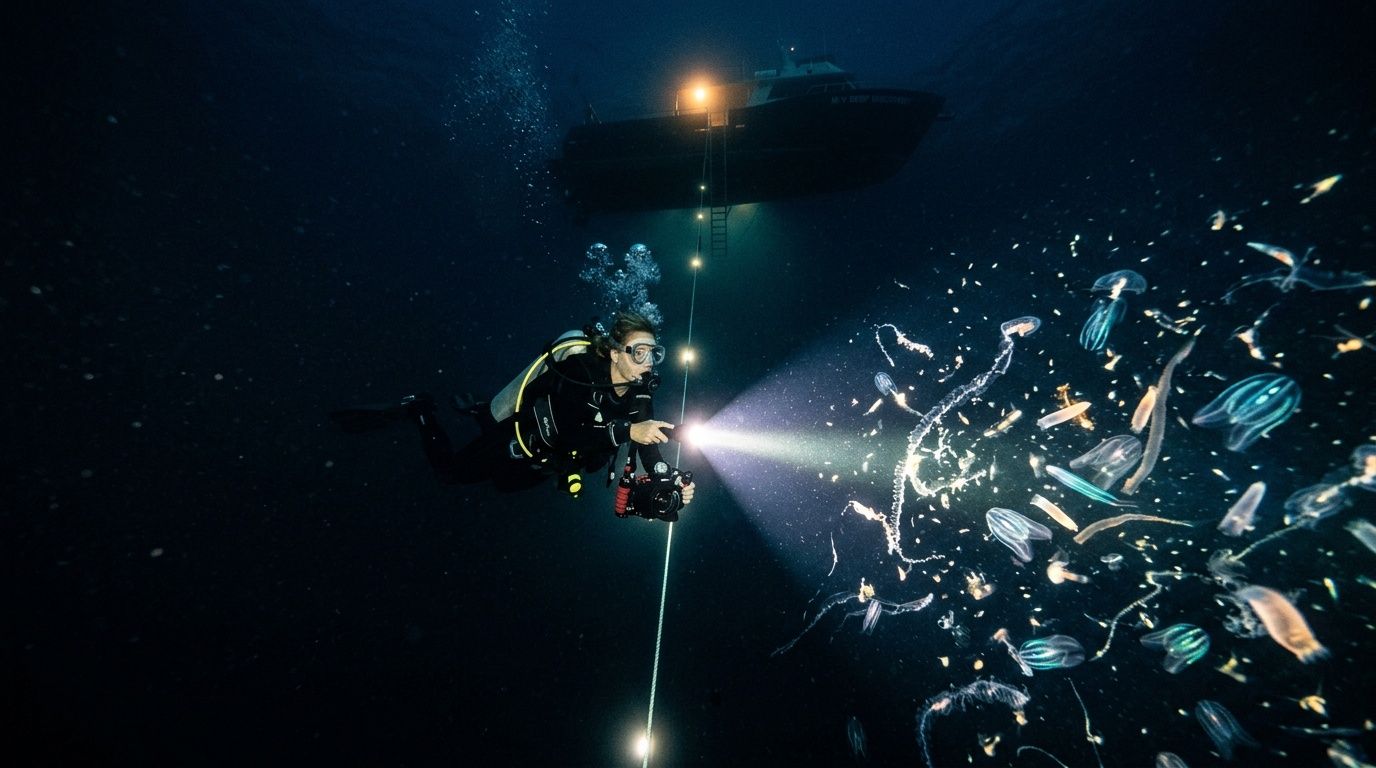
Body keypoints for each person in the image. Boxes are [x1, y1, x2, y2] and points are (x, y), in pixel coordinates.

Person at [330, 310, 695, 520]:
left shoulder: (640, 390)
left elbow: (649, 436)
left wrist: (667, 476)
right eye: (638, 352)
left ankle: (476, 410)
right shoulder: (582, 372)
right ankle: (420, 410)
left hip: (547, 463)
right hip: (520, 439)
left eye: (653, 353)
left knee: (504, 486)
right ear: (615, 352)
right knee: (450, 473)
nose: (646, 363)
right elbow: (569, 430)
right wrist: (626, 433)